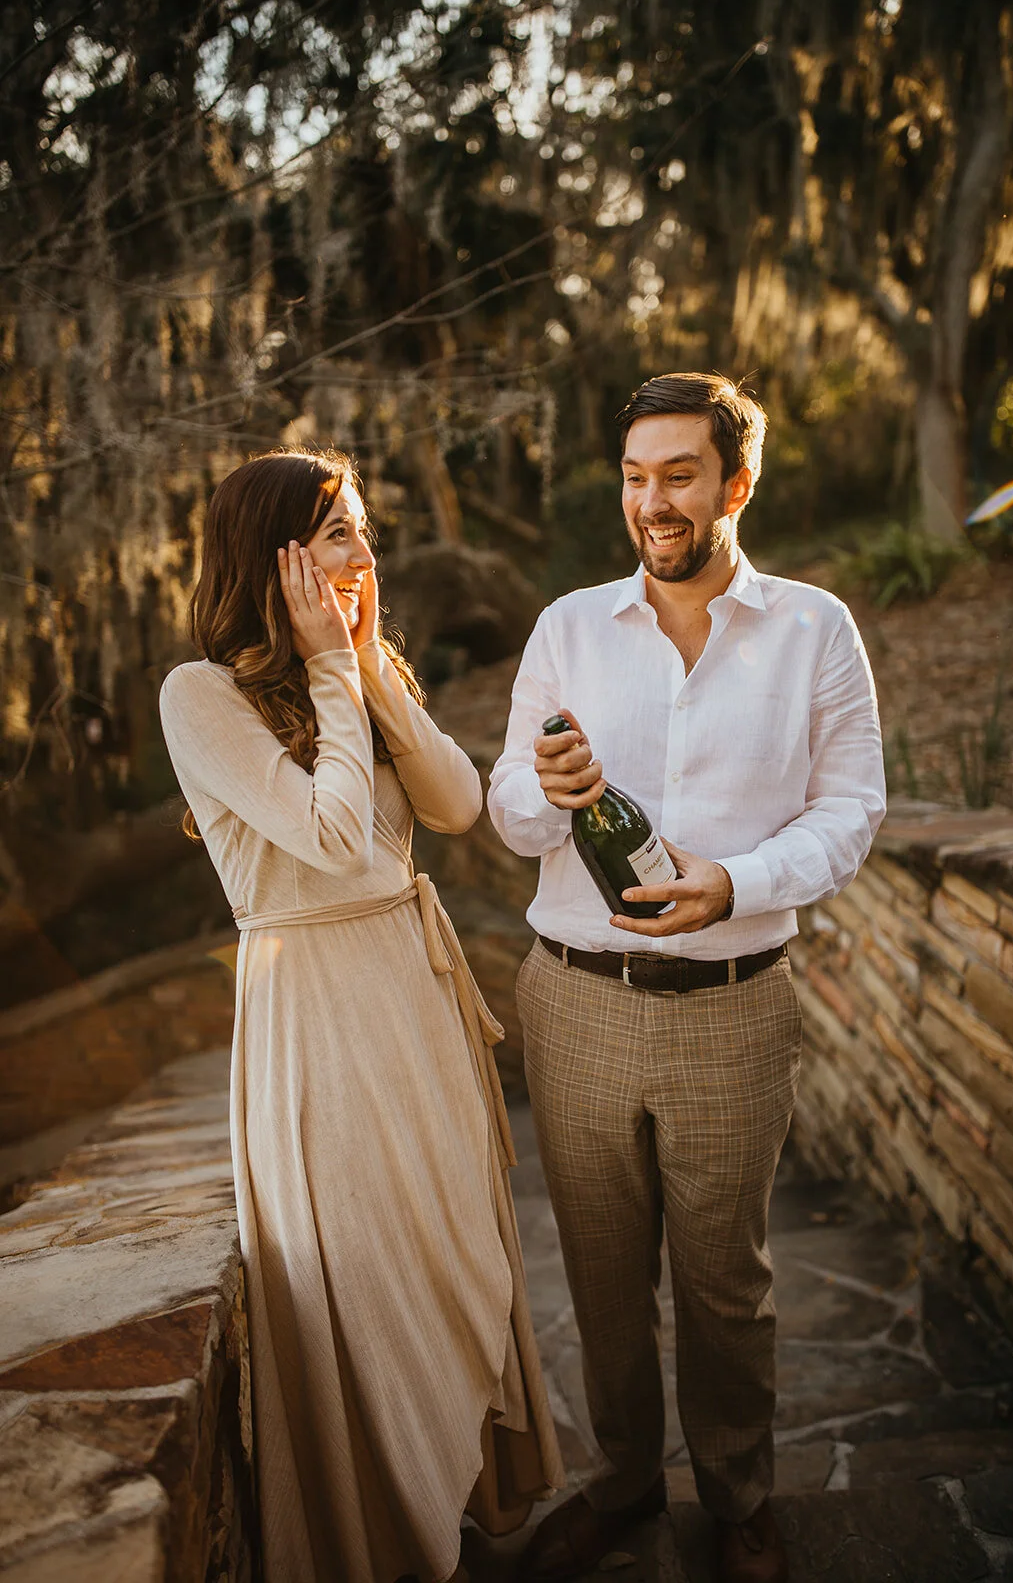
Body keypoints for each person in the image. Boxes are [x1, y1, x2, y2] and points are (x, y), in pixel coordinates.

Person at [487, 373, 886, 1583]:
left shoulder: (814, 629)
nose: (650, 501)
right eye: (633, 475)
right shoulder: (567, 626)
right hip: (574, 999)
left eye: (677, 474)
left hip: (733, 1006)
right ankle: (621, 1485)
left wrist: (738, 882)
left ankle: (738, 1497)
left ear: (734, 483)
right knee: (601, 1278)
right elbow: (508, 811)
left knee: (726, 1285)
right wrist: (544, 794)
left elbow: (851, 810)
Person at [159, 447, 563, 1583]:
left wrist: (370, 671)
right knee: (370, 1275)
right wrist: (337, 671)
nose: (363, 552)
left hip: (415, 996)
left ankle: (463, 1507)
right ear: (273, 551)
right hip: (318, 1015)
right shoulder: (200, 696)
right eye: (338, 531)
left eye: (362, 531)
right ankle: (389, 1541)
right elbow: (333, 837)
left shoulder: (354, 676)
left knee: (450, 1250)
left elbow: (458, 803)